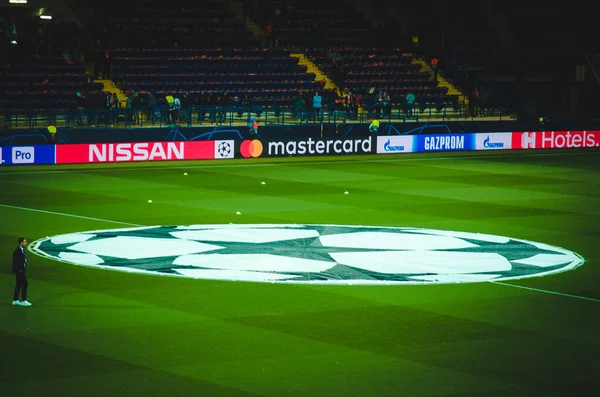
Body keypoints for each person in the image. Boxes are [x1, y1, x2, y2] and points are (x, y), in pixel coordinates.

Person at [12, 237, 32, 307]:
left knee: (18, 285)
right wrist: (19, 270)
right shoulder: (17, 251)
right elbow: (15, 262)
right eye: (25, 242)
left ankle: (15, 300)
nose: (26, 243)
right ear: (21, 243)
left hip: (21, 270)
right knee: (25, 284)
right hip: (20, 271)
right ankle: (23, 300)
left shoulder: (21, 250)